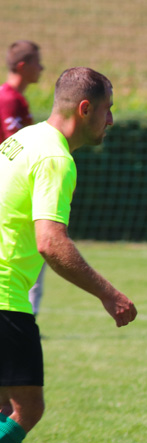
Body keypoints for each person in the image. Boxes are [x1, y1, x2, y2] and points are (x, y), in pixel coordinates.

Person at [0, 67, 137, 443]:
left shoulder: (23, 139)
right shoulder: (56, 158)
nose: (110, 120)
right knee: (26, 406)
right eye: (107, 110)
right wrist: (109, 294)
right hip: (5, 296)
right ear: (85, 108)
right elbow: (51, 242)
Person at [0, 40, 48, 317]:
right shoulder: (8, 99)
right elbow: (17, 145)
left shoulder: (16, 99)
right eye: (36, 63)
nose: (41, 68)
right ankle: (24, 319)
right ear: (22, 66)